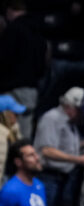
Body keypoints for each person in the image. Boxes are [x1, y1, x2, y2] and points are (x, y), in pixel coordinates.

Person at [33, 87, 84, 206]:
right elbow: (47, 150)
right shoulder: (51, 118)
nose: (82, 116)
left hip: (62, 179)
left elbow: (65, 146)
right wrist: (79, 160)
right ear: (70, 106)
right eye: (80, 111)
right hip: (48, 178)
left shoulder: (70, 123)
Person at [0, 0, 48, 139]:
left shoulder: (13, 30)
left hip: (12, 90)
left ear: (9, 11)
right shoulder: (38, 32)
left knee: (6, 136)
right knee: (23, 136)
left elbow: (4, 60)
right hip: (31, 91)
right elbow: (43, 63)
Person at [0, 95, 25, 179]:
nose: (18, 116)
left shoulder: (14, 128)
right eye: (15, 113)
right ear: (5, 114)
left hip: (11, 176)